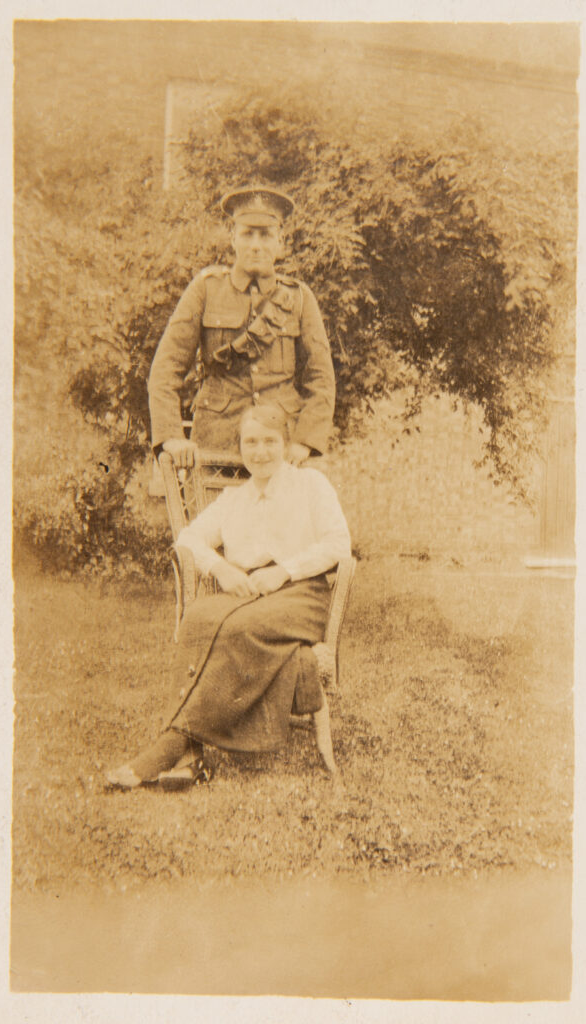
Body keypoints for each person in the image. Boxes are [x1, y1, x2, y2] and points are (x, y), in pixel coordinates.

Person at [106, 404, 351, 791]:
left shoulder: (312, 486)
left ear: (286, 445)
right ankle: (188, 754)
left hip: (302, 594)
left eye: (270, 442)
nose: (260, 452)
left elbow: (339, 544)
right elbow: (188, 537)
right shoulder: (235, 500)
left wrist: (283, 571)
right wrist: (221, 570)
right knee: (200, 617)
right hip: (248, 590)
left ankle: (171, 746)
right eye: (250, 443)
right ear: (240, 447)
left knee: (241, 626)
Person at [148, 184, 336, 468]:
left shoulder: (299, 297)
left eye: (265, 235)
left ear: (280, 241)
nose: (256, 244)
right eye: (247, 234)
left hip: (281, 450)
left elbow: (321, 378)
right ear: (232, 237)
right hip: (216, 445)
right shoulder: (205, 289)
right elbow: (165, 369)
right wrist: (172, 437)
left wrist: (305, 441)